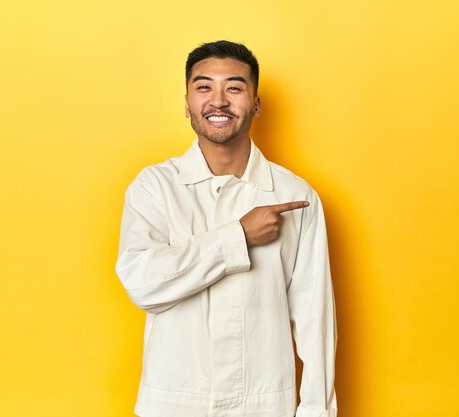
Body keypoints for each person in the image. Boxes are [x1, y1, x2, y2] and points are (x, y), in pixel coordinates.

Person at [115, 40, 338, 417]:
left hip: (264, 405)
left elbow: (315, 318)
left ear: (255, 103)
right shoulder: (154, 186)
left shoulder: (295, 195)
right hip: (173, 403)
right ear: (187, 103)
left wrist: (317, 411)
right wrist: (238, 237)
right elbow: (142, 284)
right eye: (204, 87)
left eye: (234, 87)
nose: (218, 100)